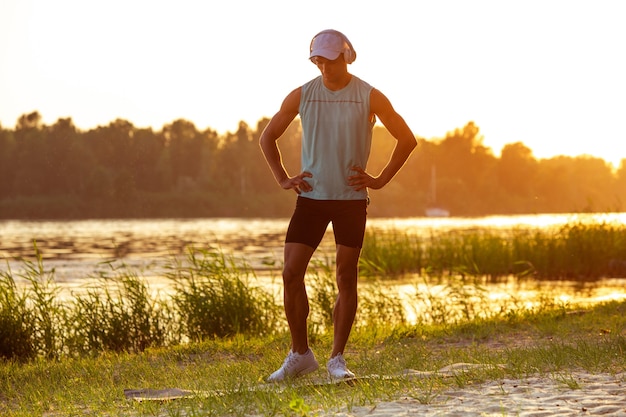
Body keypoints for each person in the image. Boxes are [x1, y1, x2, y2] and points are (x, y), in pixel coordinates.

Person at [259, 29, 417, 382]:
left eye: (330, 61)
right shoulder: (302, 95)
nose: (324, 68)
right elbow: (268, 136)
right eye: (318, 61)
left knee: (346, 276)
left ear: (345, 57)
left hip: (350, 201)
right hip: (311, 199)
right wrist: (283, 177)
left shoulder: (369, 96)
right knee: (290, 273)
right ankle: (300, 354)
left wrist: (380, 179)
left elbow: (407, 139)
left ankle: (337, 359)